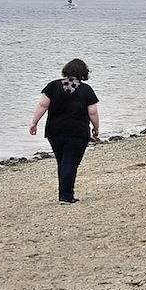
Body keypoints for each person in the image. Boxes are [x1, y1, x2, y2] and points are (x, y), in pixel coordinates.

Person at [29, 59, 100, 205]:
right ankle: (66, 197)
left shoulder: (53, 86)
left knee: (62, 162)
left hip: (55, 131)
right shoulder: (86, 90)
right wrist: (96, 128)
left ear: (66, 70)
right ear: (84, 73)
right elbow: (92, 113)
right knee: (70, 163)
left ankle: (66, 194)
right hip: (77, 132)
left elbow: (43, 105)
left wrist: (34, 122)